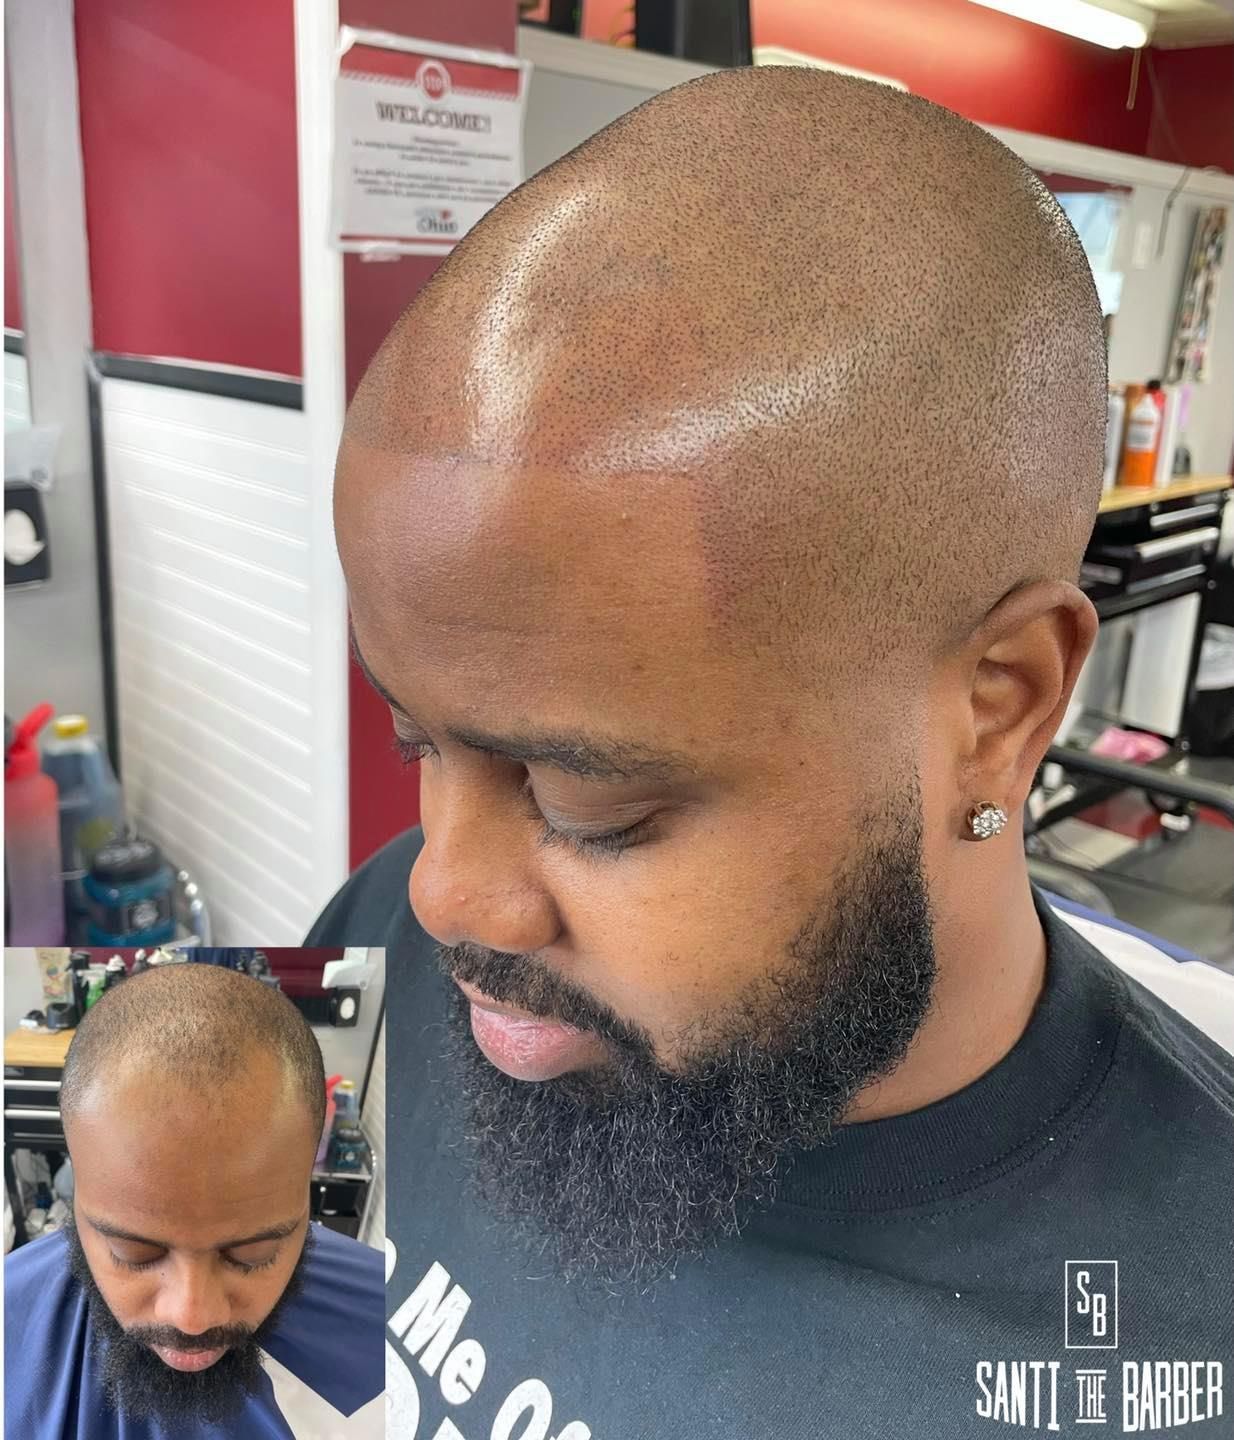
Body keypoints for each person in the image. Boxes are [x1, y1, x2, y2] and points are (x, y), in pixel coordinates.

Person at [309, 67, 1233, 1436]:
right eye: (416, 741)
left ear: (998, 708)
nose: (447, 893)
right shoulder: (389, 927)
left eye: (590, 803)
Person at [4, 962, 384, 1439]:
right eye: (134, 1254)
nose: (192, 1316)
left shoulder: (398, 1351)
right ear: (77, 1192)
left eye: (253, 1255)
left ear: (306, 1194)